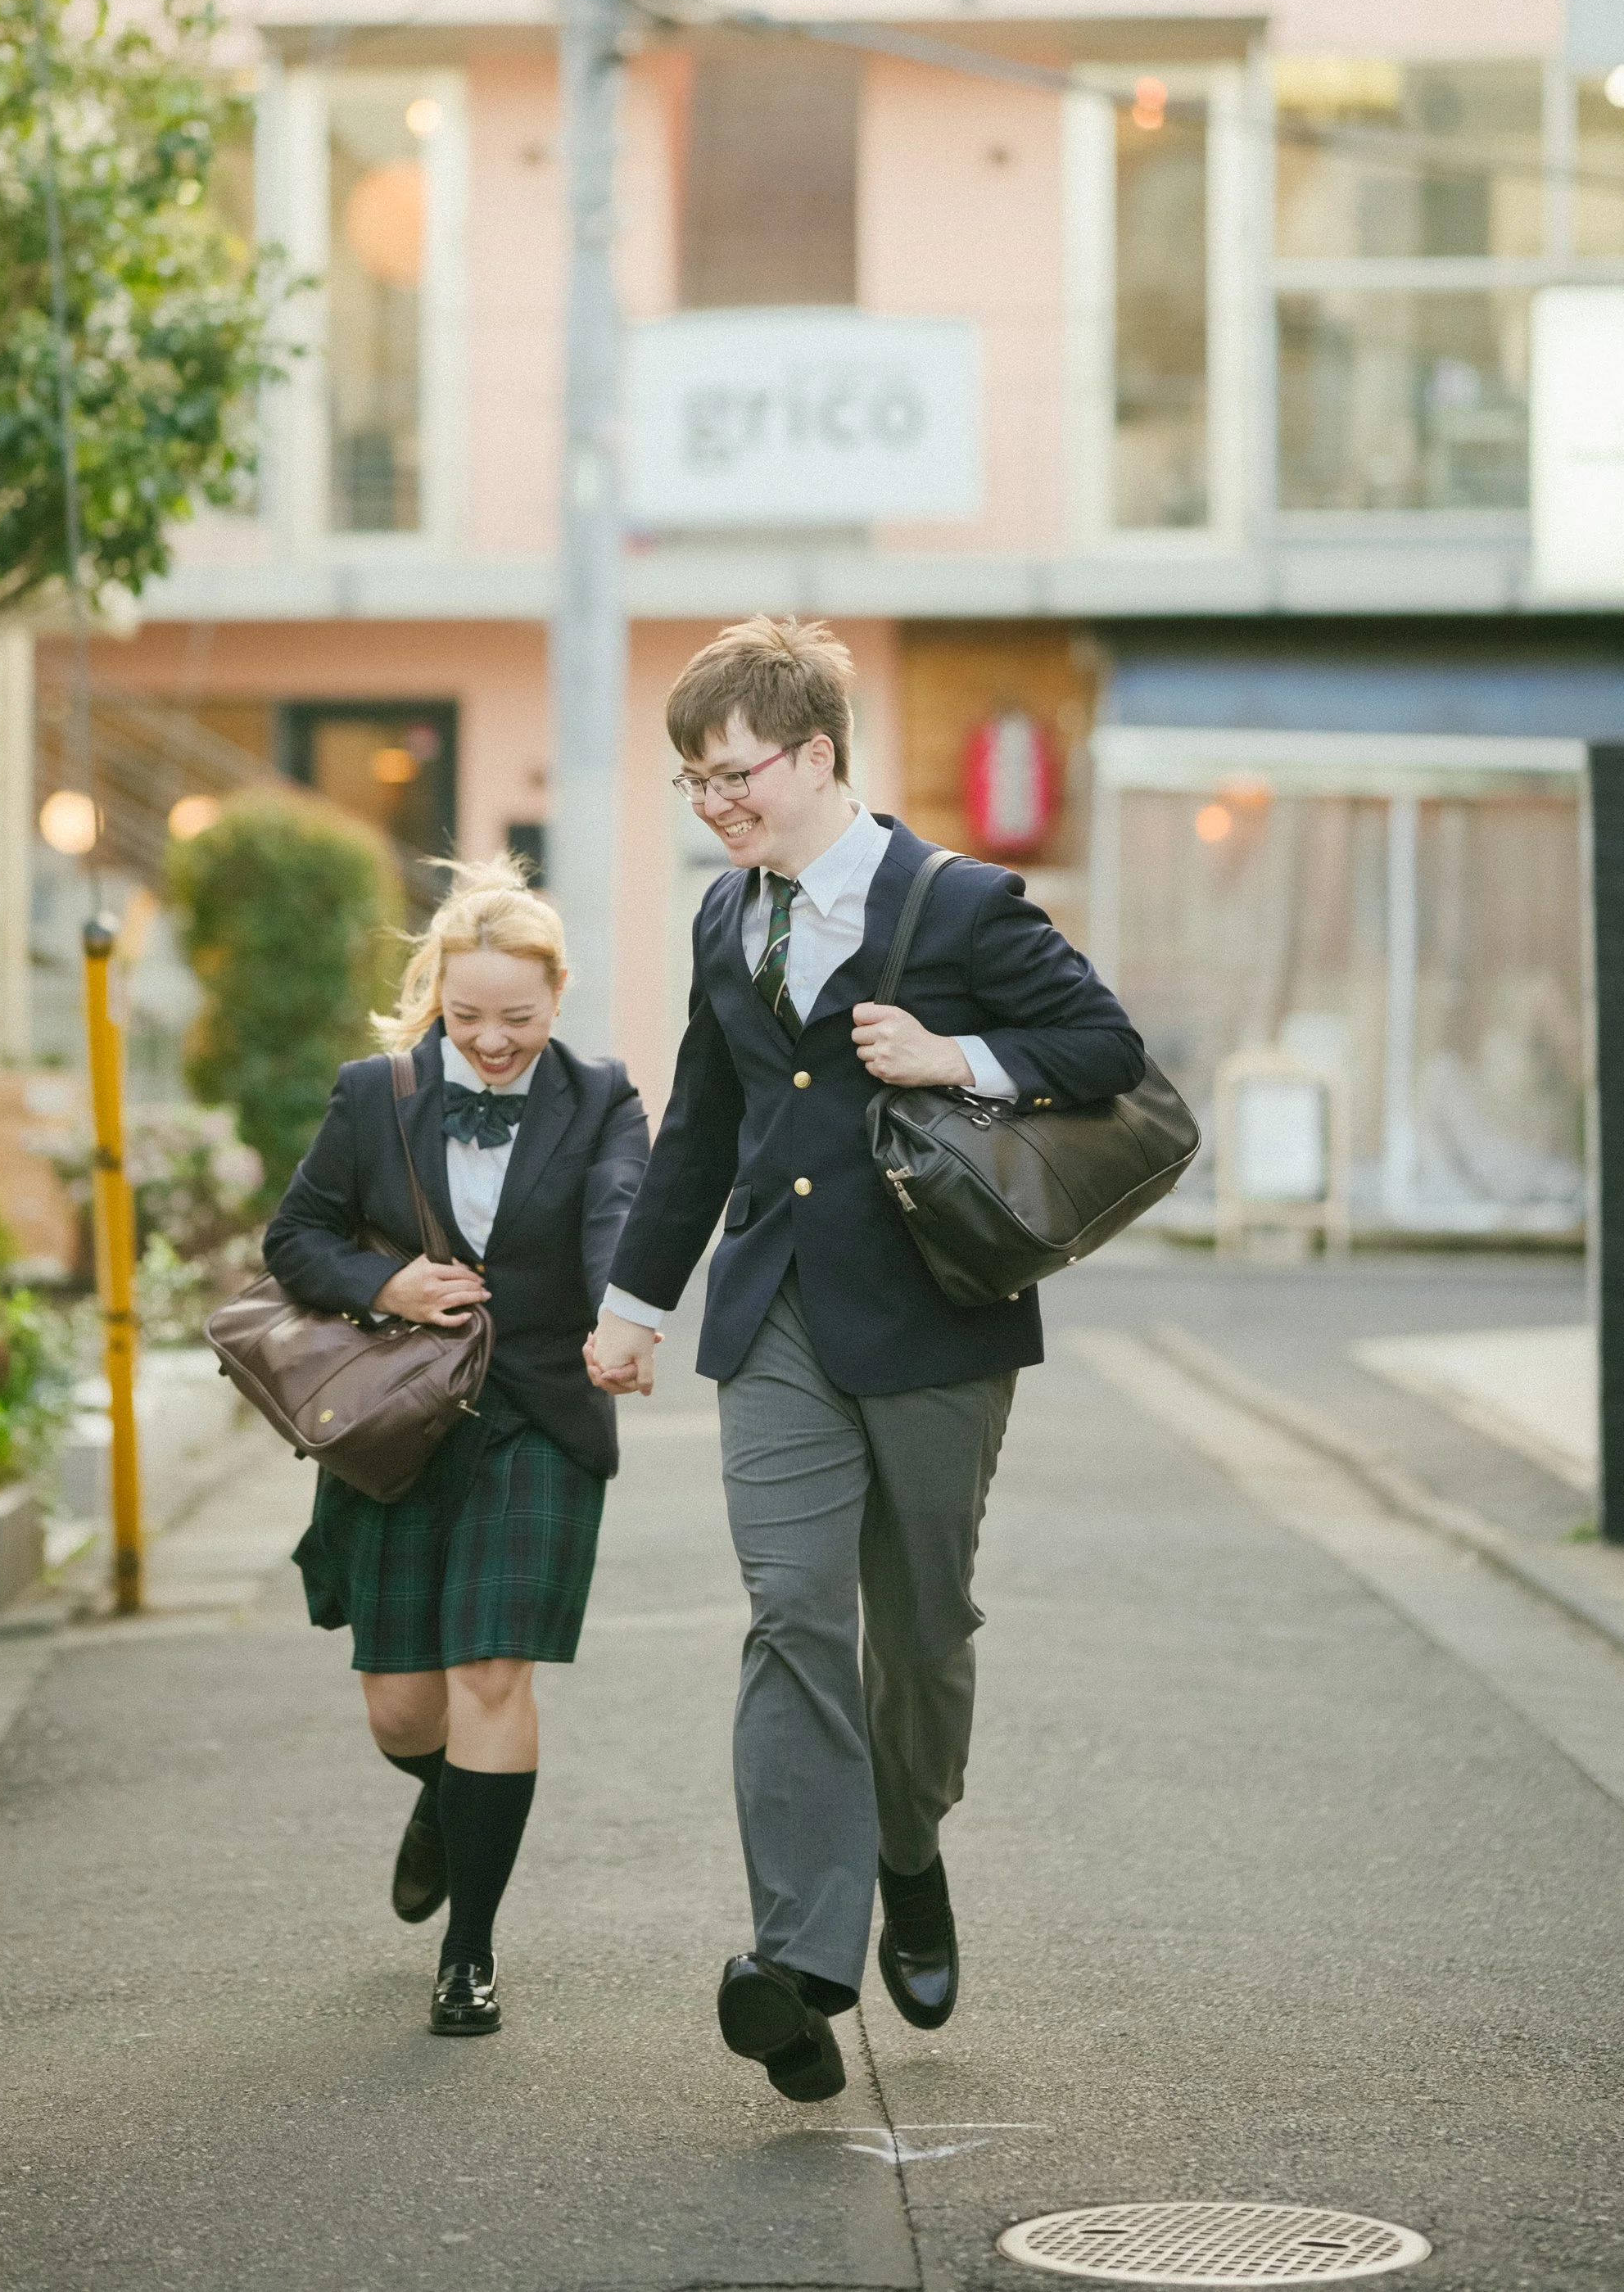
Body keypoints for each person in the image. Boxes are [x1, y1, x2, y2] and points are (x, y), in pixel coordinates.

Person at [586, 617, 1143, 2104]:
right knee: (789, 1617)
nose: (717, 806)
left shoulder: (957, 902)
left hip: (933, 1317)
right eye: (694, 785)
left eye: (732, 777)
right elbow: (705, 1126)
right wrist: (634, 1307)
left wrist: (957, 1055)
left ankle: (909, 1846)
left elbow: (1104, 1045)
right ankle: (801, 1964)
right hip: (770, 1318)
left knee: (924, 1631)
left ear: (816, 754)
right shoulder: (724, 918)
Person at [266, 857, 649, 2041]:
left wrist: (621, 1320)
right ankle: (444, 1801)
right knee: (401, 1708)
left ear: (559, 996)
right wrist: (386, 1278)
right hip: (400, 1422)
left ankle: (469, 1953)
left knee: (493, 1673)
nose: (491, 1040)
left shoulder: (602, 1097)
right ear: (437, 993)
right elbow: (297, 1237)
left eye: (518, 1019)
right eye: (468, 1015)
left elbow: (616, 1217)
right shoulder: (372, 1094)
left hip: (539, 1411)